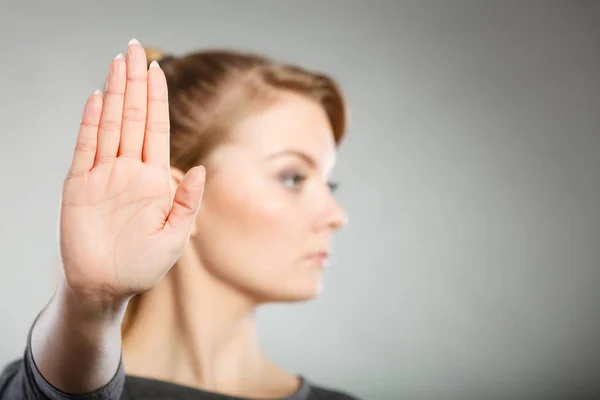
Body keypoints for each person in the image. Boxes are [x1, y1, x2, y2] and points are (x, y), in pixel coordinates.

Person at [0, 38, 359, 400]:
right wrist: (90, 307)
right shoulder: (44, 388)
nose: (336, 216)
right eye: (293, 178)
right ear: (179, 195)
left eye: (329, 183)